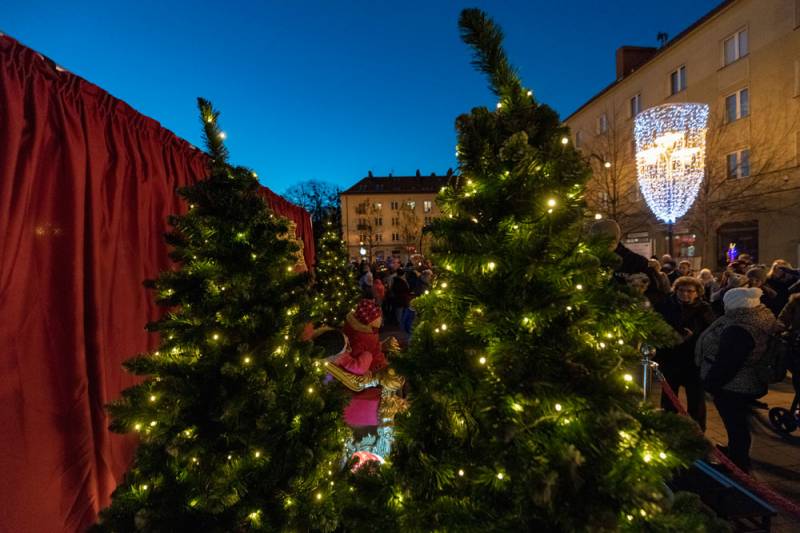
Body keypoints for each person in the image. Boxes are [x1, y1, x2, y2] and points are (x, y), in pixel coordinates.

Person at [696, 287, 778, 472]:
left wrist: (711, 383)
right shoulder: (757, 317)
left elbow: (728, 362)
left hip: (734, 384)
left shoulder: (740, 328)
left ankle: (738, 463)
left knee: (735, 424)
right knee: (737, 422)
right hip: (745, 380)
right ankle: (735, 451)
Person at [655, 276, 716, 431]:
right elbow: (657, 326)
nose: (685, 294)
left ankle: (697, 431)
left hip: (693, 361)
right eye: (681, 290)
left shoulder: (704, 309)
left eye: (690, 291)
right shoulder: (666, 305)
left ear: (697, 293)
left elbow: (710, 332)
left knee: (696, 399)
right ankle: (668, 427)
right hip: (671, 358)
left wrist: (693, 336)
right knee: (669, 397)